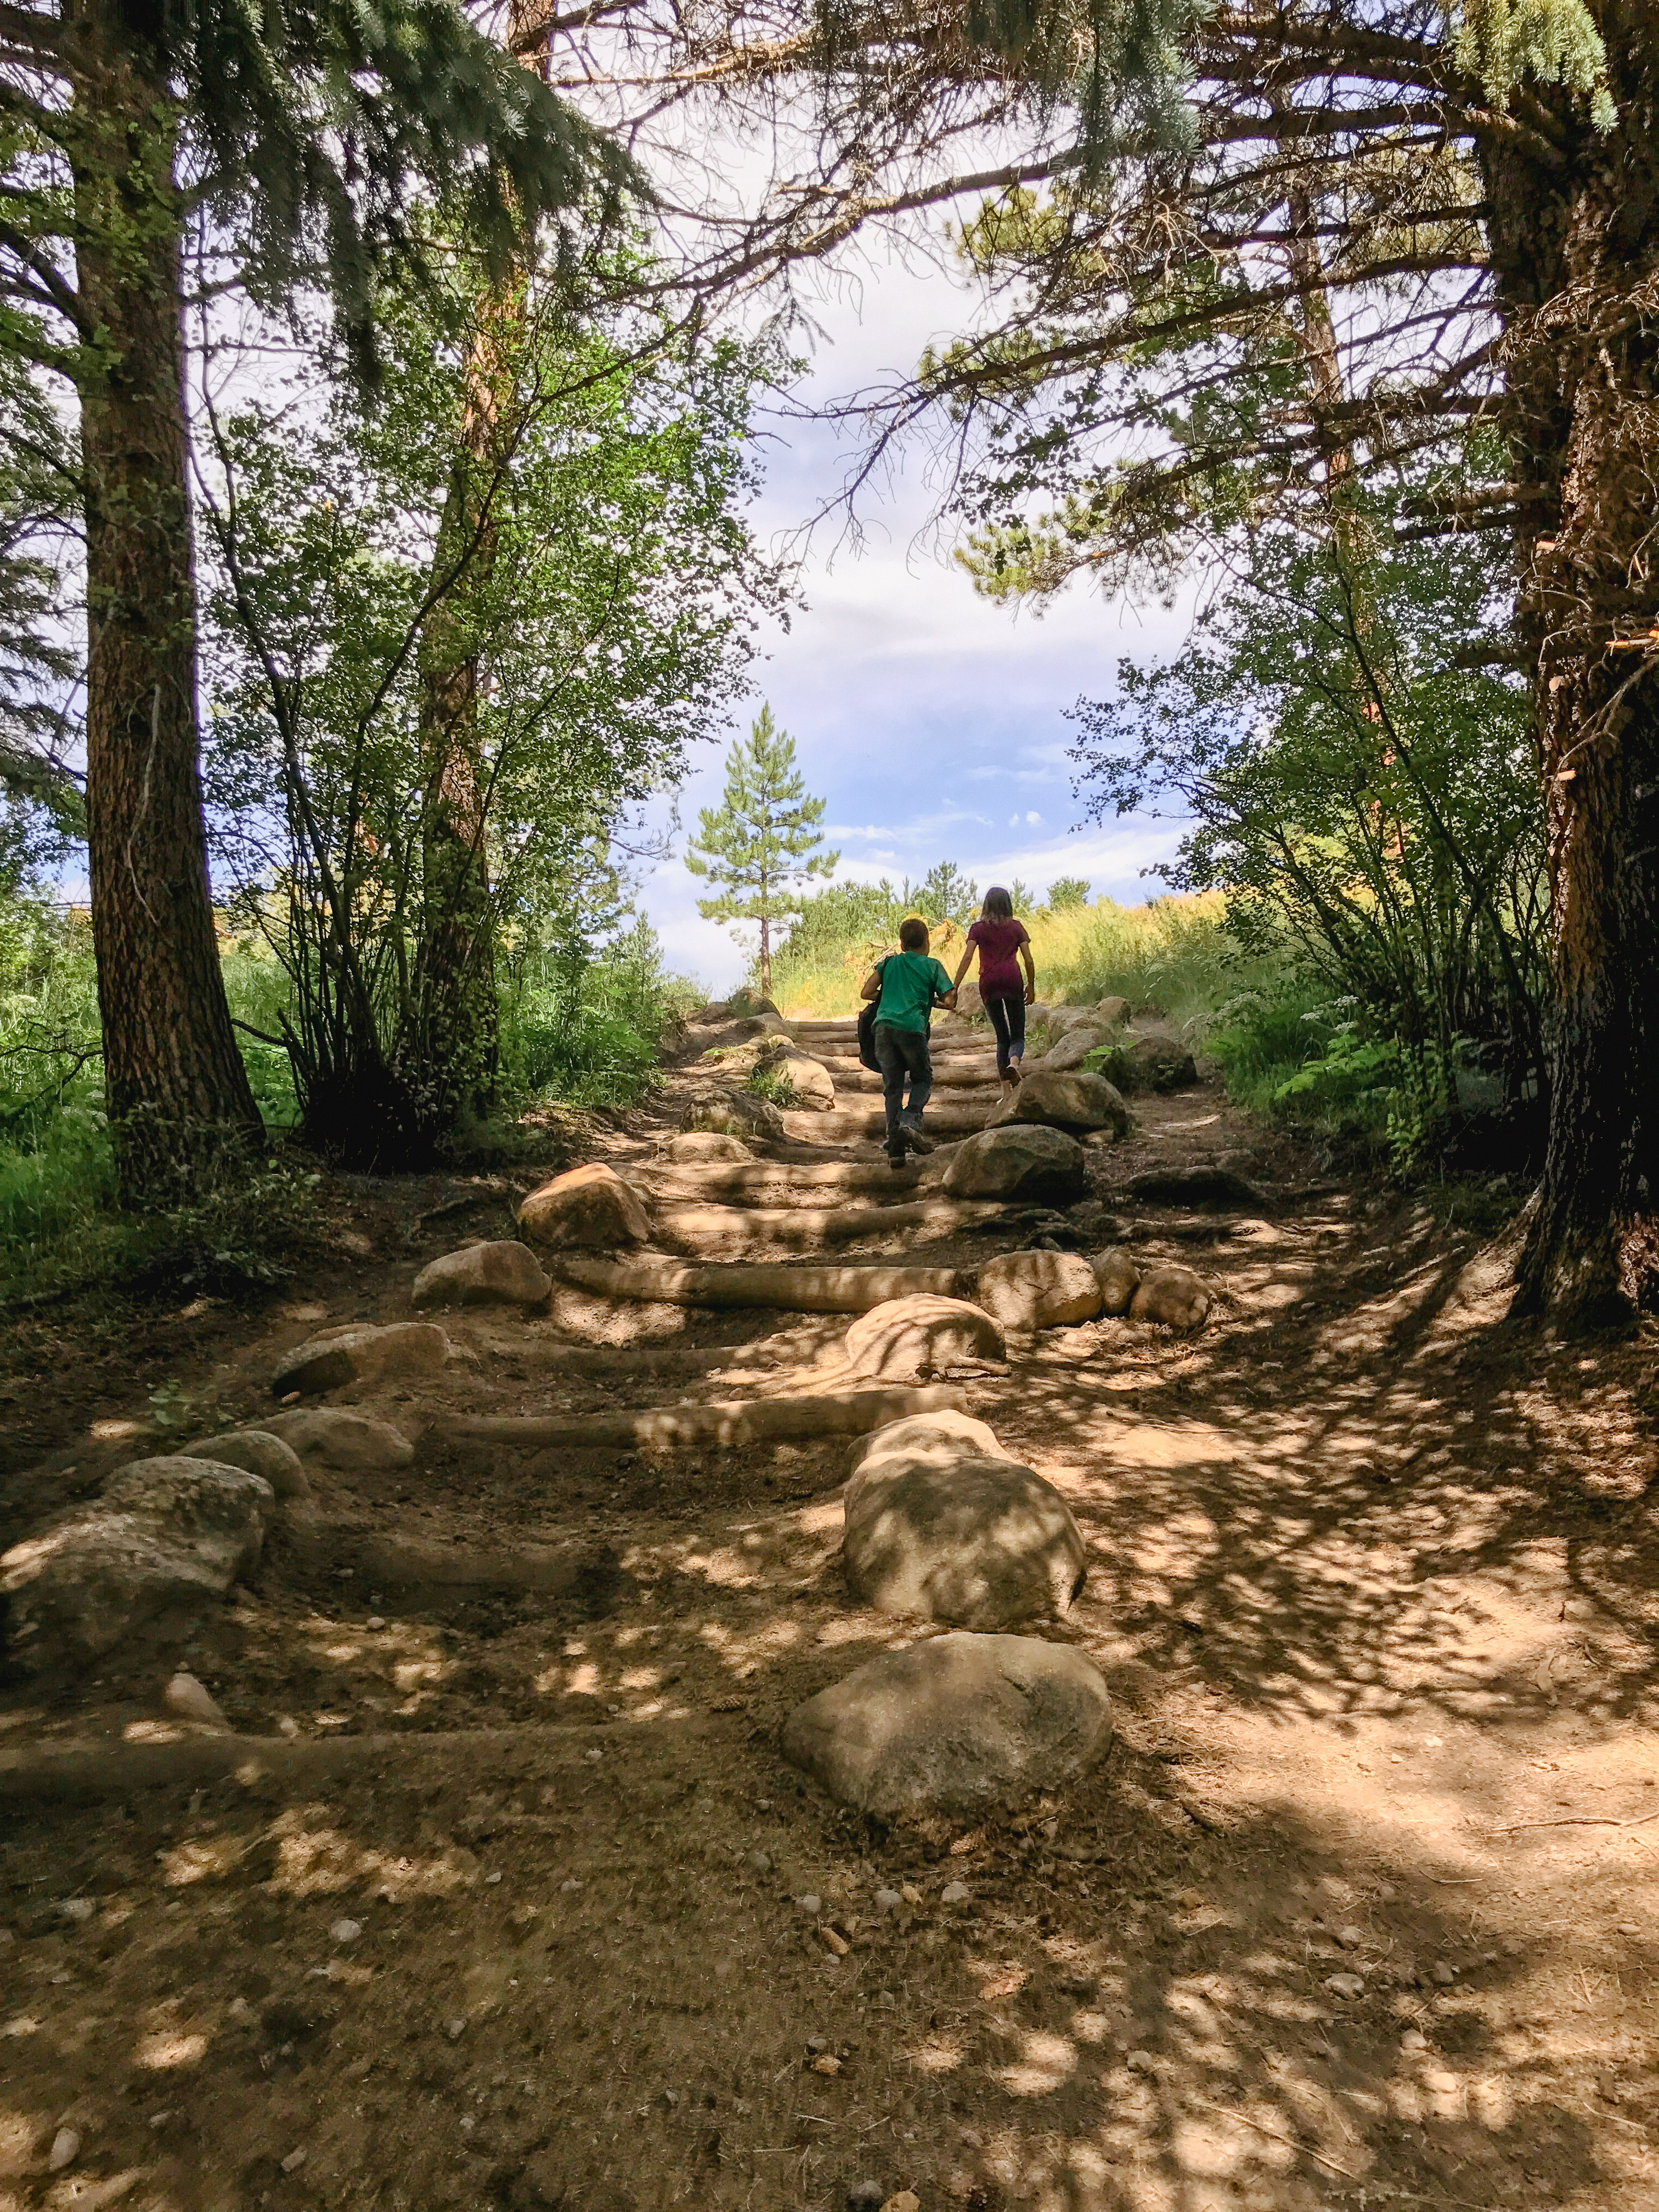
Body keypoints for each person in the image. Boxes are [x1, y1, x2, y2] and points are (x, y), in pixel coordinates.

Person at [860, 915, 957, 1167]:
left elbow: (866, 993)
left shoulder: (889, 963)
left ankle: (895, 1149)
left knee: (892, 1087)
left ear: (901, 944)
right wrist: (933, 1000)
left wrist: (890, 993)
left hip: (882, 1030)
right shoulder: (932, 966)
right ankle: (910, 1121)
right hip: (912, 1029)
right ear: (927, 942)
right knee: (922, 1078)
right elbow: (949, 1000)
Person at [952, 886, 1036, 1093]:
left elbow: (968, 956)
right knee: (1017, 1036)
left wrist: (955, 986)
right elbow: (1028, 960)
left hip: (989, 983)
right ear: (1008, 905)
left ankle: (1005, 1091)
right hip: (1012, 981)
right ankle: (1014, 1065)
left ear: (986, 905)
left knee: (1002, 1038)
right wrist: (1031, 985)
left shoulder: (977, 929)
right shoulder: (1017, 927)